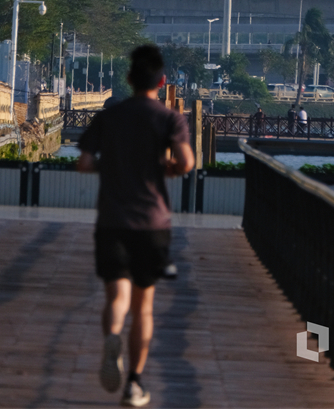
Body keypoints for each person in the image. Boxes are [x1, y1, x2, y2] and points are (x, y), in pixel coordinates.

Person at [78, 44, 195, 408]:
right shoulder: (169, 118)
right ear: (161, 82)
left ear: (129, 79)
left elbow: (83, 162)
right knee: (144, 307)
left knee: (117, 297)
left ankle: (112, 335)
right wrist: (169, 169)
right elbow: (187, 162)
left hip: (113, 220)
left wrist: (109, 168)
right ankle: (134, 384)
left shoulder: (110, 116)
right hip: (152, 223)